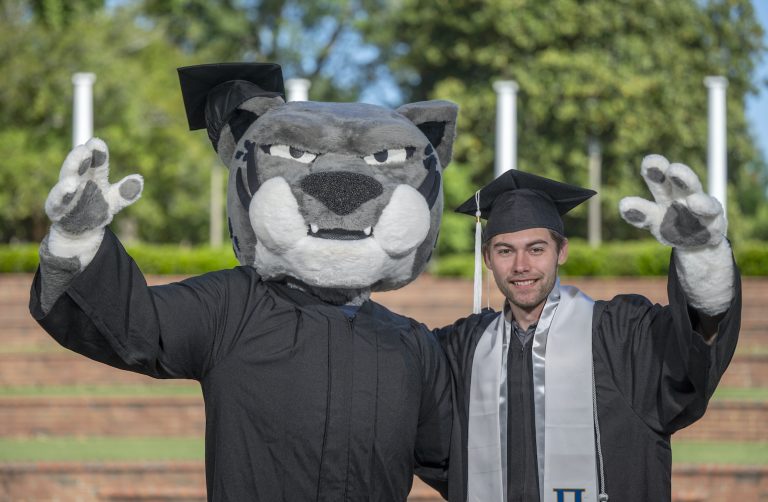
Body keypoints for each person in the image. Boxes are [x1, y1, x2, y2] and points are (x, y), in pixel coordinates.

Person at [29, 63, 456, 501]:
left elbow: (456, 464)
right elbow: (134, 326)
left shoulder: (412, 346)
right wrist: (77, 238)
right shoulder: (231, 308)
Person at [435, 159, 740, 502]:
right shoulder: (463, 349)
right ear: (487, 257)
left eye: (536, 249)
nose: (521, 266)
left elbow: (692, 345)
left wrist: (702, 259)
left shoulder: (621, 335)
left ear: (561, 251)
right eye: (505, 251)